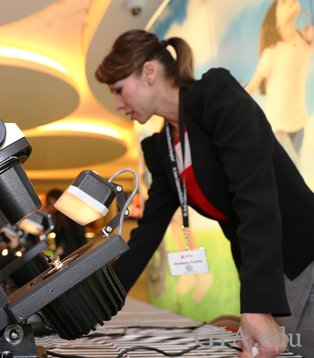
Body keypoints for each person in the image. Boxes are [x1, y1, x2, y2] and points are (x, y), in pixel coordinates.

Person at [95, 29, 314, 358]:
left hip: (300, 255)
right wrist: (100, 299)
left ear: (149, 72)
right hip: (262, 265)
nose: (117, 103)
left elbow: (255, 196)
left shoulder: (215, 95)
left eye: (119, 90)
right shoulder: (161, 147)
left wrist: (257, 304)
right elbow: (149, 230)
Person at [245, 0, 314, 167]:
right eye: (282, 2)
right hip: (279, 126)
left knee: (293, 174)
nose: (289, 1)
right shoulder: (272, 52)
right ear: (276, 23)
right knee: (294, 174)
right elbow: (252, 86)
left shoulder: (306, 38)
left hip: (299, 123)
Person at [43, 189, 87, 257]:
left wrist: (66, 249)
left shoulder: (72, 215)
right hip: (64, 256)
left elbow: (81, 238)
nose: (51, 206)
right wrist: (45, 216)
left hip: (75, 254)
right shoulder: (56, 217)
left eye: (52, 203)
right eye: (50, 204)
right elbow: (49, 230)